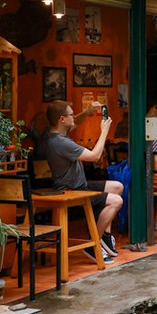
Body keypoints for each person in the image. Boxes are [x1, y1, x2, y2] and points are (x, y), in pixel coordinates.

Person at [44, 100, 123, 263]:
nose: (74, 116)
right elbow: (94, 157)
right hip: (72, 191)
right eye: (71, 114)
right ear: (62, 119)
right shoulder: (61, 142)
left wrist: (86, 113)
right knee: (116, 201)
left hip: (80, 185)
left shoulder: (55, 133)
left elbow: (73, 124)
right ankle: (93, 244)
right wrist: (104, 131)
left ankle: (105, 237)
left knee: (117, 187)